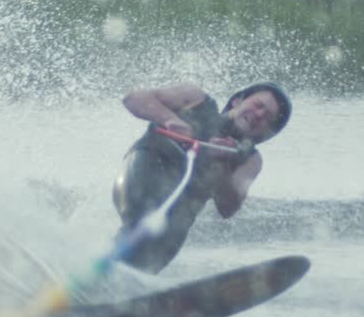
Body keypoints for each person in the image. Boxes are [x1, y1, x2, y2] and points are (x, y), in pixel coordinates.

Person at [111, 81, 292, 273]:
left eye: (268, 118)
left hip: (177, 217)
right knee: (149, 217)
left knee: (157, 252)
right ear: (237, 101)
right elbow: (133, 99)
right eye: (258, 105)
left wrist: (221, 165)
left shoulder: (249, 160)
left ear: (267, 133)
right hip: (143, 171)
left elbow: (228, 208)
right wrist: (169, 119)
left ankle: (112, 277)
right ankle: (112, 268)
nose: (259, 115)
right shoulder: (196, 100)